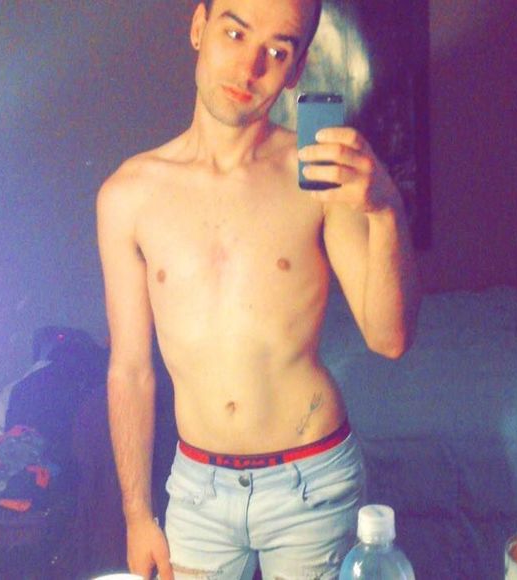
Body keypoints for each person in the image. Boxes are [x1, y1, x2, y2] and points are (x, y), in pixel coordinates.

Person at [97, 0, 421, 578]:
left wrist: (386, 209)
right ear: (199, 27)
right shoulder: (128, 195)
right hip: (196, 490)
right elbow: (130, 369)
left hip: (312, 481)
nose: (250, 67)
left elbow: (389, 338)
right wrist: (136, 514)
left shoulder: (316, 173)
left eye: (277, 50)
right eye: (235, 33)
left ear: (296, 69)